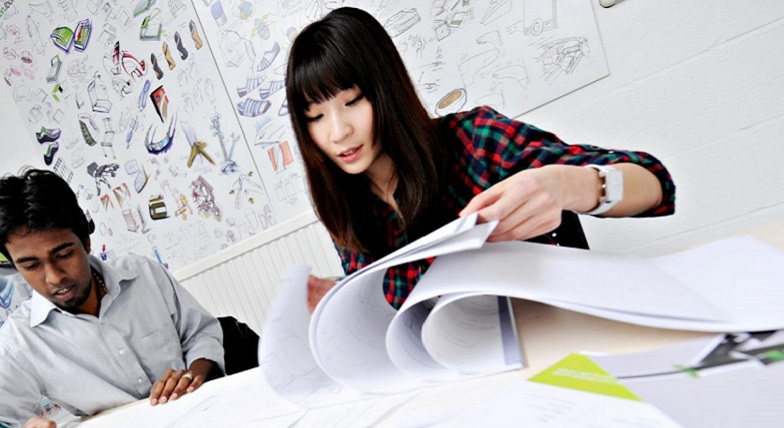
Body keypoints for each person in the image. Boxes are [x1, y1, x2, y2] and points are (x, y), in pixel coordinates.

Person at [286, 7, 676, 311]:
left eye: (352, 102)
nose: (337, 133)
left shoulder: (475, 141)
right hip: (451, 376)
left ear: (386, 90)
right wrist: (340, 300)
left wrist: (573, 186)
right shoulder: (345, 204)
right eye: (315, 117)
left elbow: (655, 182)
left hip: (556, 340)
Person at [0, 168, 225, 428]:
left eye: (63, 254)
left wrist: (195, 373)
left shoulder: (143, 274)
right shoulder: (18, 343)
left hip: (205, 423)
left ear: (85, 240)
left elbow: (201, 333)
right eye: (30, 265)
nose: (54, 277)